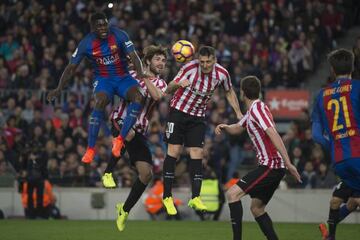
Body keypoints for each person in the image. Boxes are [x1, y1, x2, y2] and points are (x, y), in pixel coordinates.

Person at [47, 12, 147, 164]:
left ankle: (119, 140)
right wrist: (59, 88)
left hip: (123, 77)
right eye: (99, 25)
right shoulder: (86, 43)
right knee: (100, 101)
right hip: (103, 80)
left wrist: (140, 75)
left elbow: (134, 56)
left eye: (105, 24)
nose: (103, 28)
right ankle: (90, 149)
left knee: (139, 96)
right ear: (92, 27)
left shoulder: (119, 35)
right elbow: (71, 68)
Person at [215, 76, 301, 240]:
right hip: (273, 166)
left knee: (232, 194)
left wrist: (289, 163)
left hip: (271, 165)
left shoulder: (257, 109)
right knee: (257, 208)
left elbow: (272, 133)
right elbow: (239, 127)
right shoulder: (255, 110)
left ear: (242, 93)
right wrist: (225, 127)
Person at [162, 46, 242, 215]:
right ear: (198, 60)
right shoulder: (189, 68)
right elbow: (168, 88)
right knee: (174, 151)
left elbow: (229, 91)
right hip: (178, 112)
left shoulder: (222, 73)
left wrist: (238, 113)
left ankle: (195, 197)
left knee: (197, 153)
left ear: (215, 60)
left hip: (197, 117)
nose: (205, 65)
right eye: (202, 61)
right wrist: (178, 84)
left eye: (209, 62)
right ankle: (167, 196)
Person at [102, 45, 168, 232]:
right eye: (157, 59)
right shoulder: (131, 73)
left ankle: (124, 210)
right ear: (147, 61)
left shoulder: (160, 83)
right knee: (127, 132)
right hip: (121, 120)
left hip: (139, 128)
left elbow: (156, 95)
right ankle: (107, 173)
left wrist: (144, 76)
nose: (161, 63)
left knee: (146, 174)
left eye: (163, 60)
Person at [311, 48, 360, 240]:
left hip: (340, 161)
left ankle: (329, 234)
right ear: (353, 66)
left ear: (331, 69)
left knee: (349, 200)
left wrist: (333, 146)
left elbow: (316, 135)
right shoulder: (357, 88)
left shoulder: (321, 95)